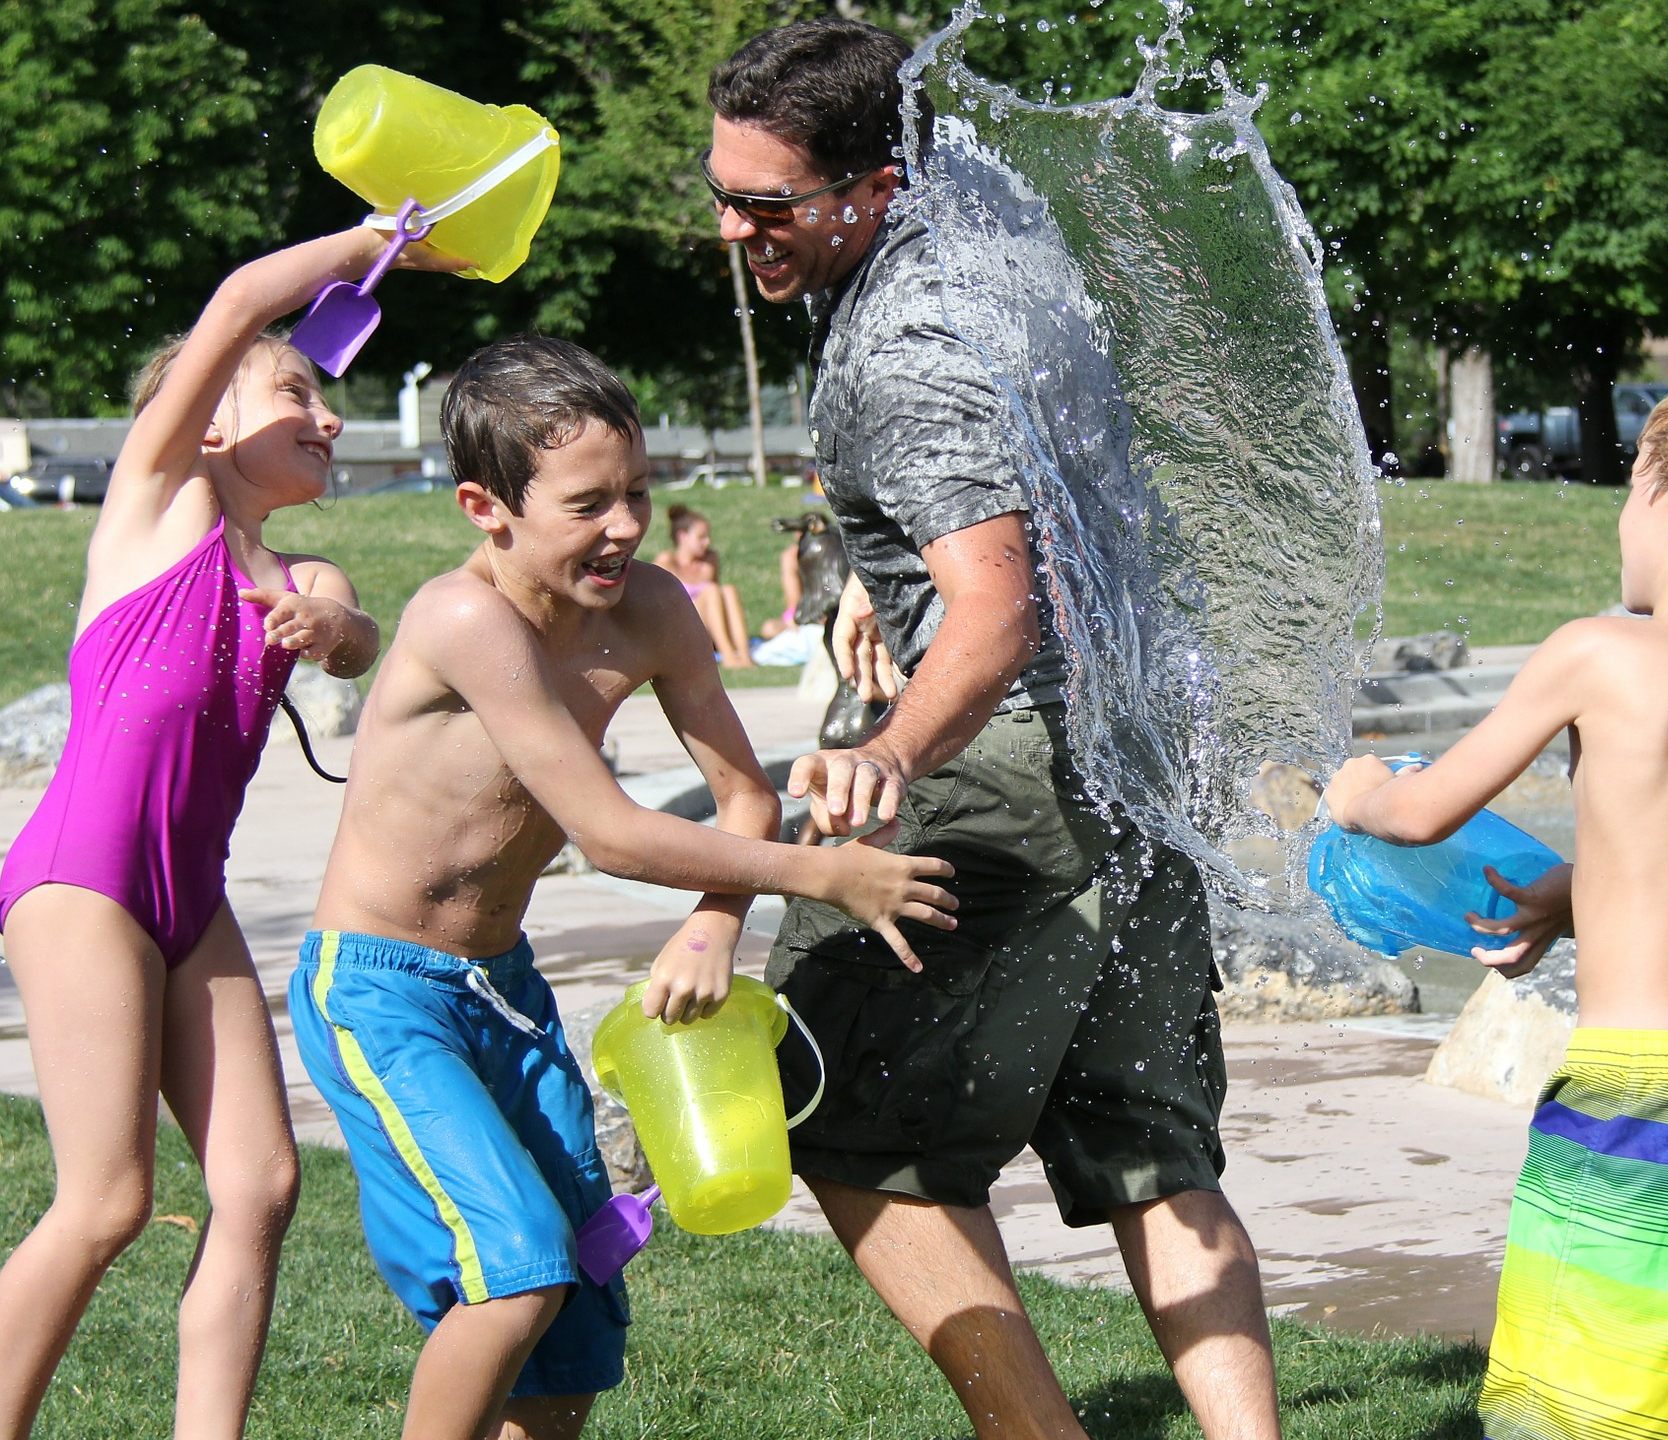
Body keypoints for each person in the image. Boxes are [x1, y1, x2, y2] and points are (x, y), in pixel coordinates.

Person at [706, 20, 1282, 1440]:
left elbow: (995, 608)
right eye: (720, 192)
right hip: (1140, 756)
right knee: (1153, 1149)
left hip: (1005, 765)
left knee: (836, 1114)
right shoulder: (1000, 245)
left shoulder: (904, 345)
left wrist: (894, 748)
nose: (734, 230)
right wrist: (866, 586)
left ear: (870, 185)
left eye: (768, 205)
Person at [287, 334, 956, 1440]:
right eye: (589, 503)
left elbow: (744, 792)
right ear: (484, 507)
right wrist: (822, 875)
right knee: (513, 1271)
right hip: (381, 993)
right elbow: (608, 833)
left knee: (579, 1316)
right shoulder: (465, 621)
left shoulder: (649, 609)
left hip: (503, 989)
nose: (627, 526)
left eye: (639, 492)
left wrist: (715, 923)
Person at [1325, 372, 1668, 1440]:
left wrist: (1361, 793)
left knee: (1567, 1410)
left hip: (1641, 1096)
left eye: (1627, 488)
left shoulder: (1600, 650)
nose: (1621, 517)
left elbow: (1426, 813)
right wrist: (1575, 894)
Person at [0, 227, 451, 1440]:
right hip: (81, 883)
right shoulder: (157, 504)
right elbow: (244, 297)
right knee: (104, 1203)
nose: (330, 416)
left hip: (187, 901)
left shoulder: (307, 568)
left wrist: (331, 632)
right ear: (207, 425)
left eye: (326, 397)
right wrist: (384, 243)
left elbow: (354, 633)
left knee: (259, 1182)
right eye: (296, 391)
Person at [653, 503, 753, 667]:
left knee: (728, 590)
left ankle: (744, 654)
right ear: (682, 536)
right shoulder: (667, 561)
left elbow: (719, 605)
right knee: (711, 590)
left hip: (708, 630)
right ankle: (728, 656)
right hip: (680, 628)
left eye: (708, 536)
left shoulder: (709, 560)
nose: (707, 542)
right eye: (701, 537)